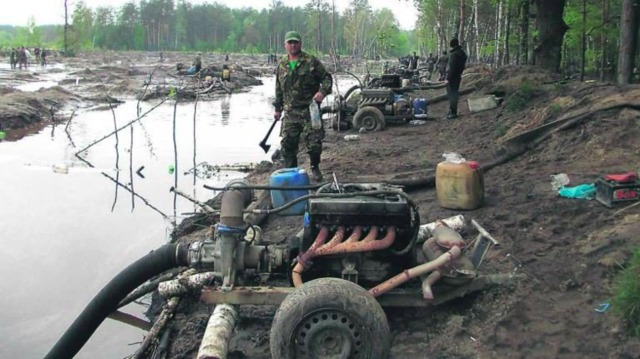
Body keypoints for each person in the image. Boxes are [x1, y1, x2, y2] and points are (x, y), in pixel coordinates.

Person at [273, 30, 333, 182]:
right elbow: (278, 88)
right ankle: (291, 173)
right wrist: (277, 109)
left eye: (295, 42)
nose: (293, 45)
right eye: (290, 42)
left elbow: (326, 78)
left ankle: (315, 167)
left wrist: (322, 92)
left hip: (310, 110)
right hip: (290, 112)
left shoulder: (311, 61)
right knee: (288, 145)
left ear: (300, 43)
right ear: (285, 45)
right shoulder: (282, 65)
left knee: (314, 144)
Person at [444, 38, 467, 119]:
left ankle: (452, 112)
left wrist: (448, 78)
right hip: (458, 75)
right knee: (455, 93)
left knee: (452, 95)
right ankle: (453, 111)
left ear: (452, 45)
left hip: (452, 77)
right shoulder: (462, 53)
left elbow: (452, 68)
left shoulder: (454, 55)